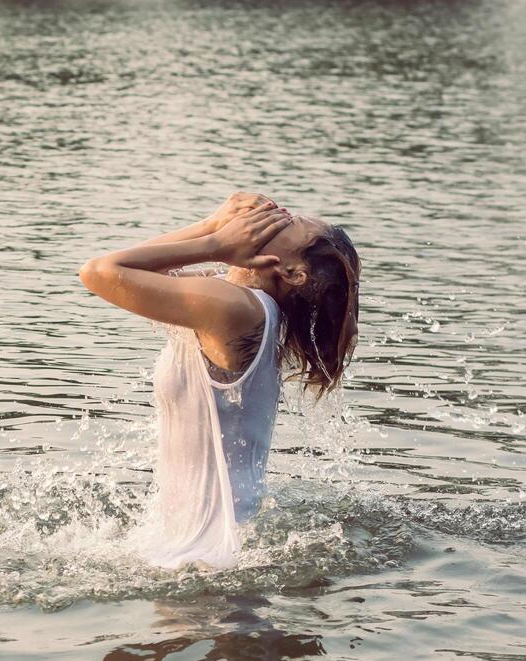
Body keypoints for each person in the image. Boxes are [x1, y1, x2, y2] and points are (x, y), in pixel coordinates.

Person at [78, 192, 361, 569]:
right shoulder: (242, 302)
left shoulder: (240, 311)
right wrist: (214, 232)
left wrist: (213, 237)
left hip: (209, 559)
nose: (275, 215)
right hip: (203, 550)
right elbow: (143, 273)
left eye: (286, 225)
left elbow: (99, 272)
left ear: (292, 273)